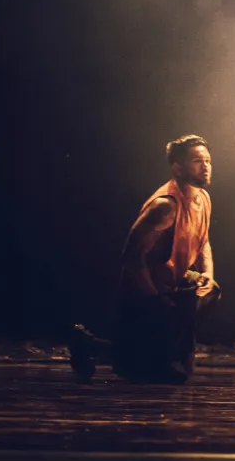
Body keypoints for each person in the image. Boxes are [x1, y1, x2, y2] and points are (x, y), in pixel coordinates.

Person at [69, 135, 220, 384]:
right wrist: (154, 300)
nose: (205, 166)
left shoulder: (202, 198)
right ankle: (87, 343)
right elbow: (132, 257)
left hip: (173, 280)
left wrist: (207, 274)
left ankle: (165, 349)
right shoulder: (165, 207)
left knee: (209, 290)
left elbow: (203, 240)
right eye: (197, 161)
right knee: (140, 370)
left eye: (208, 161)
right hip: (145, 287)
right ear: (177, 168)